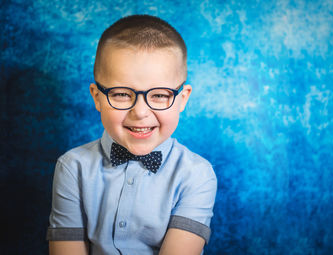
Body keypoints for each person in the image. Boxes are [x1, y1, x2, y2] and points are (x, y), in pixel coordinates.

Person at [46, 14, 217, 255]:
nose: (140, 112)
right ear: (97, 97)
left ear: (182, 98)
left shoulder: (197, 175)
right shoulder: (72, 167)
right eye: (121, 94)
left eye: (159, 94)